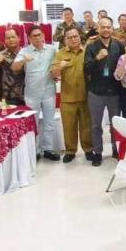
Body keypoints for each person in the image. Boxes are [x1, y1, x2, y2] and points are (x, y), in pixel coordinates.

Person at [14, 26, 60, 161]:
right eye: (34, 36)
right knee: (32, 124)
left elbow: (57, 66)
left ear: (43, 35)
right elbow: (14, 67)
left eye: (39, 35)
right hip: (31, 94)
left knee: (49, 122)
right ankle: (34, 150)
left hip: (49, 92)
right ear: (29, 38)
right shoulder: (24, 51)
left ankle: (48, 149)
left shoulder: (52, 49)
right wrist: (23, 60)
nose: (38, 38)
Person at [84, 17, 125, 166]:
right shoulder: (91, 46)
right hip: (96, 92)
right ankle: (98, 152)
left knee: (115, 124)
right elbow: (86, 68)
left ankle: (116, 149)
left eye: (108, 27)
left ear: (112, 28)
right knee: (96, 125)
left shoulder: (119, 45)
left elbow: (123, 63)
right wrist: (97, 58)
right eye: (103, 27)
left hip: (114, 91)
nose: (106, 30)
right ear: (98, 29)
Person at [52, 26, 92, 163]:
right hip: (67, 97)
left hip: (86, 96)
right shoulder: (60, 54)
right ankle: (70, 151)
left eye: (75, 36)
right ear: (65, 40)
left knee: (87, 126)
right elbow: (53, 74)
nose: (73, 39)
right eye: (70, 37)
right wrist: (60, 66)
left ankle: (88, 150)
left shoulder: (87, 51)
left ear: (80, 37)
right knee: (69, 127)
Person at [0, 28, 25, 106]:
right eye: (8, 38)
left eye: (13, 37)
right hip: (8, 96)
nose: (11, 40)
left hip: (27, 95)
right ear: (4, 40)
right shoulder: (1, 54)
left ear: (19, 38)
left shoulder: (26, 53)